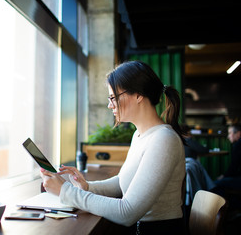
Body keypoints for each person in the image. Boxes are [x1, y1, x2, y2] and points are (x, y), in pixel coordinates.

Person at [40, 60, 186, 235]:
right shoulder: (140, 135)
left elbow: (127, 212)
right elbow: (121, 182)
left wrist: (65, 191)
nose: (110, 105)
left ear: (138, 95)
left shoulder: (164, 140)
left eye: (113, 97)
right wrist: (87, 187)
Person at [211, 124, 241, 208]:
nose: (228, 137)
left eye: (230, 133)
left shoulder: (238, 145)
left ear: (238, 134)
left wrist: (223, 176)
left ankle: (226, 212)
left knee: (215, 185)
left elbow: (233, 168)